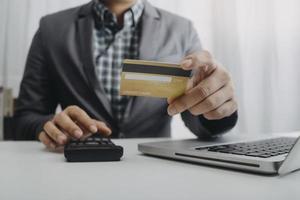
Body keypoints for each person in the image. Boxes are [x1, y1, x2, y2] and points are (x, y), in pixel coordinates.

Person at [14, 0, 238, 150]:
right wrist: (50, 126)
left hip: (154, 169)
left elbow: (195, 111)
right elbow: (27, 116)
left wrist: (215, 109)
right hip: (79, 167)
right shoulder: (52, 28)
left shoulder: (181, 29)